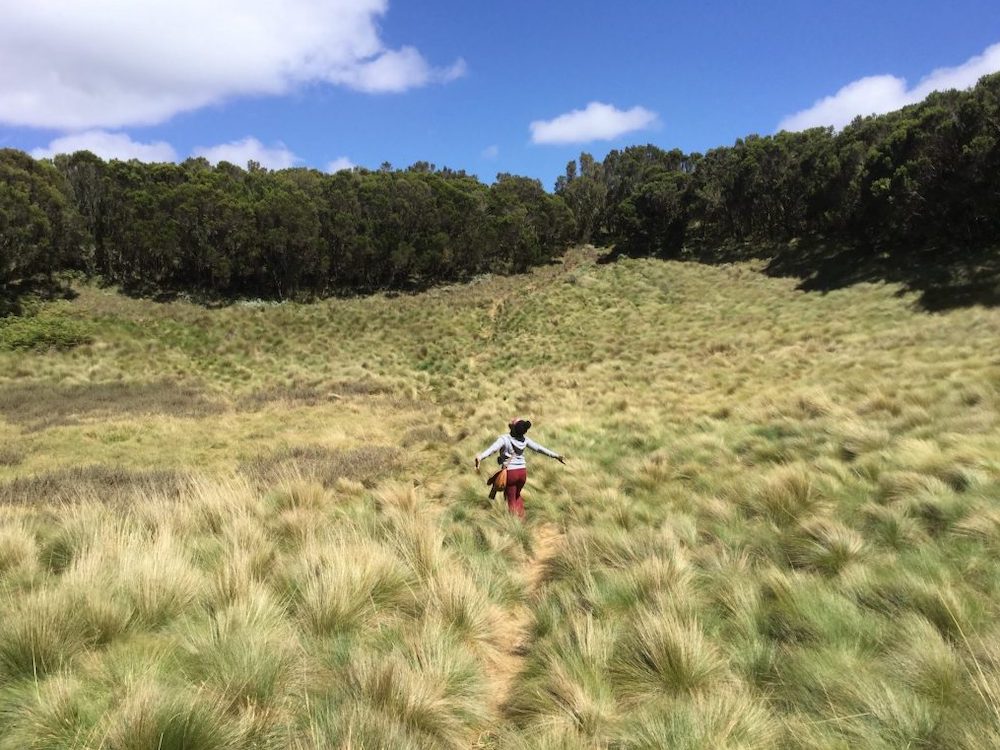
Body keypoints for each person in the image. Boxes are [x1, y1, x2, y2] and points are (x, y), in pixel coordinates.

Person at [475, 418, 565, 519]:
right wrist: (556, 456)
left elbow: (492, 450)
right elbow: (539, 448)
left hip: (510, 473)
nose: (513, 420)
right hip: (522, 472)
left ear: (513, 428)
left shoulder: (504, 439)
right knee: (517, 495)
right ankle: (522, 518)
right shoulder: (524, 440)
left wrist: (480, 457)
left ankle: (514, 523)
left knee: (511, 499)